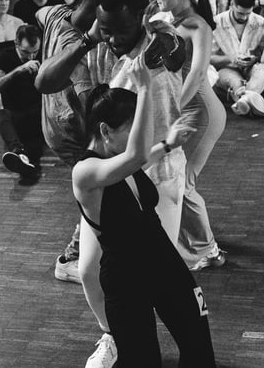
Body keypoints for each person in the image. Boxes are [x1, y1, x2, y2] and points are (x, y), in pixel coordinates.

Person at [34, 0, 200, 367]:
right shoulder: (97, 45)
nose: (114, 40)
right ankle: (114, 335)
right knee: (90, 269)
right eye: (106, 30)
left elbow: (175, 50)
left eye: (120, 32)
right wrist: (92, 37)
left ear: (140, 18)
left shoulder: (160, 38)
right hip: (112, 177)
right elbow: (44, 82)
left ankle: (162, 347)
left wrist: (163, 34)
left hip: (156, 173)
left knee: (152, 280)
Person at [71, 65, 215, 367]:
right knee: (143, 360)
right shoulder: (85, 173)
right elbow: (135, 156)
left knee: (198, 340)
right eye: (131, 127)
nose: (139, 134)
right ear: (105, 131)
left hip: (163, 259)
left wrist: (167, 145)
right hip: (126, 278)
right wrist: (146, 89)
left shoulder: (118, 160)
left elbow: (139, 159)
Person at [156, 0, 228, 271]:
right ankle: (193, 237)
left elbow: (198, 73)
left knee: (184, 182)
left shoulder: (198, 26)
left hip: (202, 113)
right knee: (174, 177)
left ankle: (207, 250)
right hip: (184, 111)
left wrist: (172, 110)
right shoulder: (168, 21)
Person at [0, 25, 47, 184]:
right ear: (16, 44)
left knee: (35, 146)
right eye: (25, 52)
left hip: (38, 116)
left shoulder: (44, 54)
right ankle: (18, 152)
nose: (30, 57)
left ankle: (26, 161)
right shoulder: (5, 57)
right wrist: (18, 70)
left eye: (34, 52)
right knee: (0, 112)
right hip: (15, 116)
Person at [212, 0, 264, 117]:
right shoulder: (216, 23)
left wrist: (255, 58)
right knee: (233, 80)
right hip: (226, 68)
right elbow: (208, 58)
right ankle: (252, 101)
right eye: (240, 13)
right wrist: (230, 59)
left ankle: (243, 101)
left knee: (263, 70)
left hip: (252, 67)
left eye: (248, 13)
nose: (244, 17)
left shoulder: (261, 23)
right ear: (231, 4)